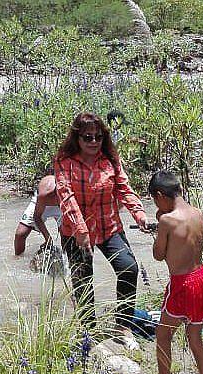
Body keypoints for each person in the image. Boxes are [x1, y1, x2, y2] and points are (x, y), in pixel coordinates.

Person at [53, 112, 148, 337]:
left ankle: (122, 325)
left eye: (98, 137)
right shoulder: (64, 162)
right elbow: (66, 197)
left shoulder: (110, 160)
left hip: (109, 226)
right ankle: (89, 332)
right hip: (76, 232)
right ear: (77, 138)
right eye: (88, 137)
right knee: (83, 281)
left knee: (129, 268)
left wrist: (140, 215)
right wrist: (81, 229)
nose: (94, 141)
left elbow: (124, 189)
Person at [147, 170, 203, 374]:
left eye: (155, 200)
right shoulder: (197, 213)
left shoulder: (167, 221)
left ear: (160, 196)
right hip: (202, 279)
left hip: (182, 284)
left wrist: (159, 226)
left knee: (163, 335)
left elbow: (158, 255)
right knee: (195, 338)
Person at [14, 175, 62, 256]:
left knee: (67, 238)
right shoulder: (45, 194)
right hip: (41, 203)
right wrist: (48, 238)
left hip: (61, 206)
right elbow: (37, 217)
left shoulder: (70, 192)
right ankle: (17, 258)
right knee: (20, 234)